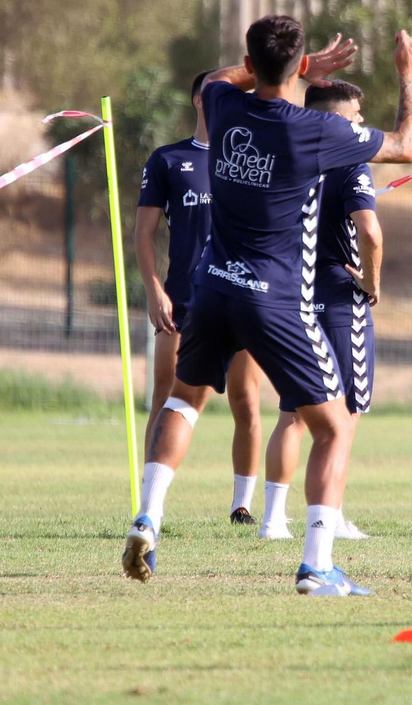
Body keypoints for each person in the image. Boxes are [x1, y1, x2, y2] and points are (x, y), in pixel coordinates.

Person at [122, 16, 412, 598]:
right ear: (298, 64)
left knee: (183, 400)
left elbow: (216, 77)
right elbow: (407, 146)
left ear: (250, 62)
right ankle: (317, 566)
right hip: (275, 298)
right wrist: (409, 74)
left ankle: (148, 517)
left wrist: (293, 67)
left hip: (211, 286)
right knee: (333, 427)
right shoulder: (313, 129)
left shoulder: (223, 105)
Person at [136, 69, 268, 528]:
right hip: (183, 300)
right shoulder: (168, 160)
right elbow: (144, 233)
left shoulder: (250, 159)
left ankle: (242, 506)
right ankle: (149, 504)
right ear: (200, 100)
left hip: (241, 296)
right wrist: (154, 289)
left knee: (245, 399)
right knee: (168, 396)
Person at [258, 80, 381, 542]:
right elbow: (370, 233)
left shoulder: (284, 161)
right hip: (338, 299)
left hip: (291, 295)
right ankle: (330, 517)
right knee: (344, 416)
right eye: (355, 116)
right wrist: (371, 283)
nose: (361, 124)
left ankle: (272, 520)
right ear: (333, 120)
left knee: (292, 411)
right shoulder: (351, 163)